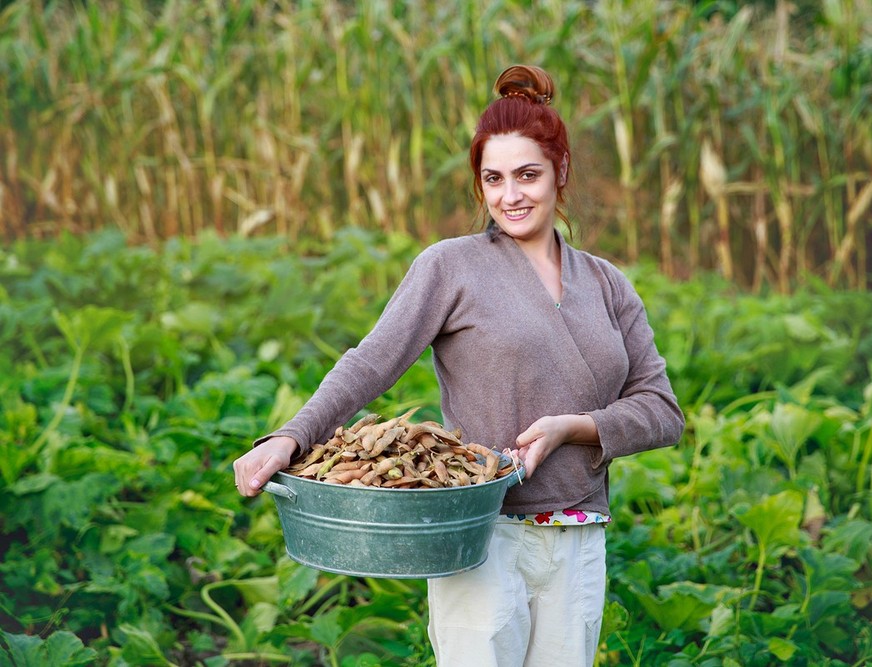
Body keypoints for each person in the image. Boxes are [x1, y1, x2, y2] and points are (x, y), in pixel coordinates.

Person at [233, 64, 685, 667]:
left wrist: (573, 427)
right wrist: (292, 435)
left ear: (561, 173)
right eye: (493, 179)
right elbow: (371, 363)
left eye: (528, 175)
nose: (510, 196)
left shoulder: (606, 283)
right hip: (478, 533)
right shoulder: (452, 267)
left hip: (578, 537)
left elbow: (661, 411)